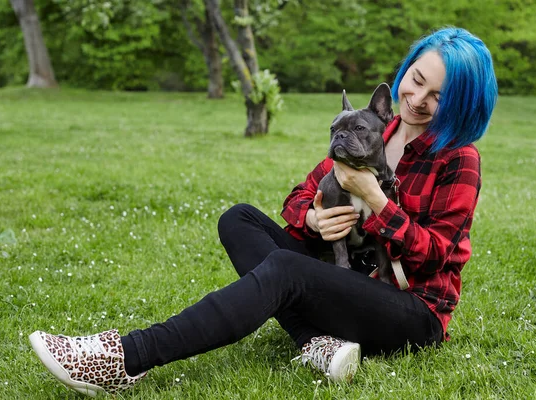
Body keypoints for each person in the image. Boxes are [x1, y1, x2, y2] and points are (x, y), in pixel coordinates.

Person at [29, 26, 498, 397]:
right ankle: (316, 341)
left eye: (438, 96)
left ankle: (123, 359)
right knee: (239, 218)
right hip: (344, 278)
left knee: (284, 271)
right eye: (417, 80)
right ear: (407, 69)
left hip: (410, 308)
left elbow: (437, 255)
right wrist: (313, 219)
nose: (417, 99)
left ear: (462, 105)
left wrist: (375, 200)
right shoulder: (376, 127)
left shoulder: (459, 157)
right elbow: (300, 194)